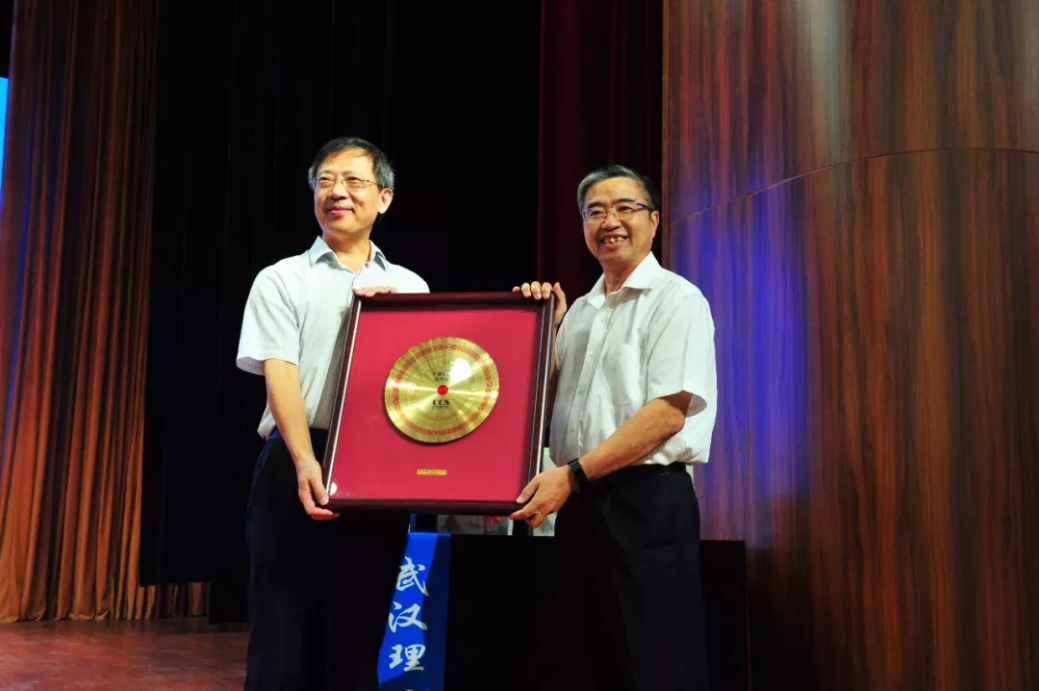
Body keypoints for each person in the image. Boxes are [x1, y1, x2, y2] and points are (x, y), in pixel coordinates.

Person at [511, 164, 717, 690]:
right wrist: (540, 329)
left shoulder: (677, 299)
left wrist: (572, 474)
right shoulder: (580, 311)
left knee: (657, 662)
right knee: (583, 662)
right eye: (595, 212)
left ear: (654, 220)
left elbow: (667, 413)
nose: (610, 222)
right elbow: (544, 406)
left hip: (646, 503)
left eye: (626, 208)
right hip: (579, 505)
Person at [235, 137, 429, 690]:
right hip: (297, 457)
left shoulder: (411, 287)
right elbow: (281, 374)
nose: (337, 192)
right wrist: (304, 461)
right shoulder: (282, 278)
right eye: (325, 181)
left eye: (353, 181)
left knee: (358, 634)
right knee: (281, 633)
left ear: (384, 198)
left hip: (378, 469)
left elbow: (421, 390)